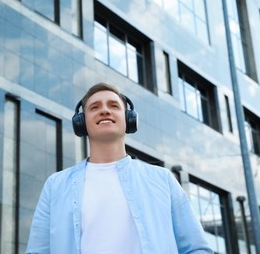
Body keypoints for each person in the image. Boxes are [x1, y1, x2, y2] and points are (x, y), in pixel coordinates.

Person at [26, 82, 213, 254]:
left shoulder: (163, 179)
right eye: (94, 107)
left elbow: (197, 248)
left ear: (129, 120)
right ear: (81, 123)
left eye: (114, 106)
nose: (105, 110)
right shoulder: (55, 185)